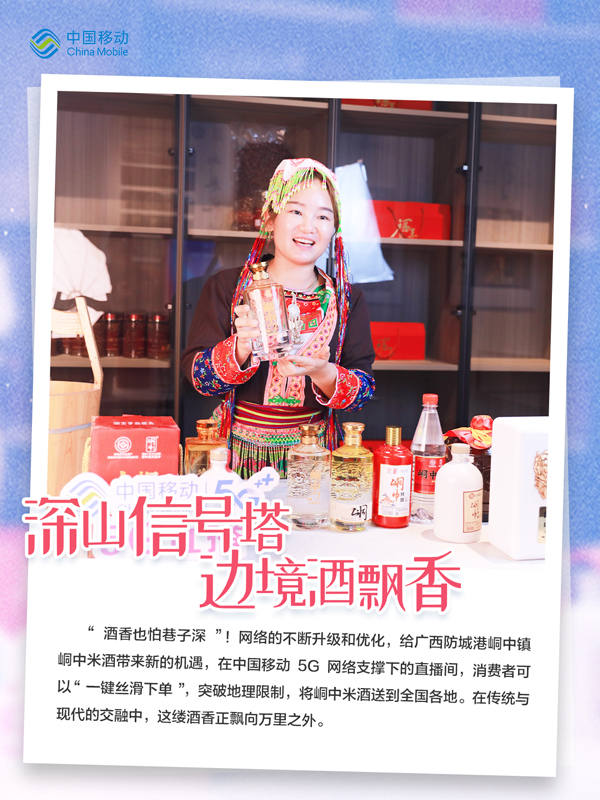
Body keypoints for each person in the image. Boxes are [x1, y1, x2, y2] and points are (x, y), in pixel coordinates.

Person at [181, 158, 375, 478]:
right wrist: (240, 348)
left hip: (316, 456)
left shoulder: (347, 300)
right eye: (296, 211)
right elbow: (199, 379)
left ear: (334, 230)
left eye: (323, 216)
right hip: (236, 453)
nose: (308, 227)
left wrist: (325, 373)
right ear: (270, 219)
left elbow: (363, 392)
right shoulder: (228, 287)